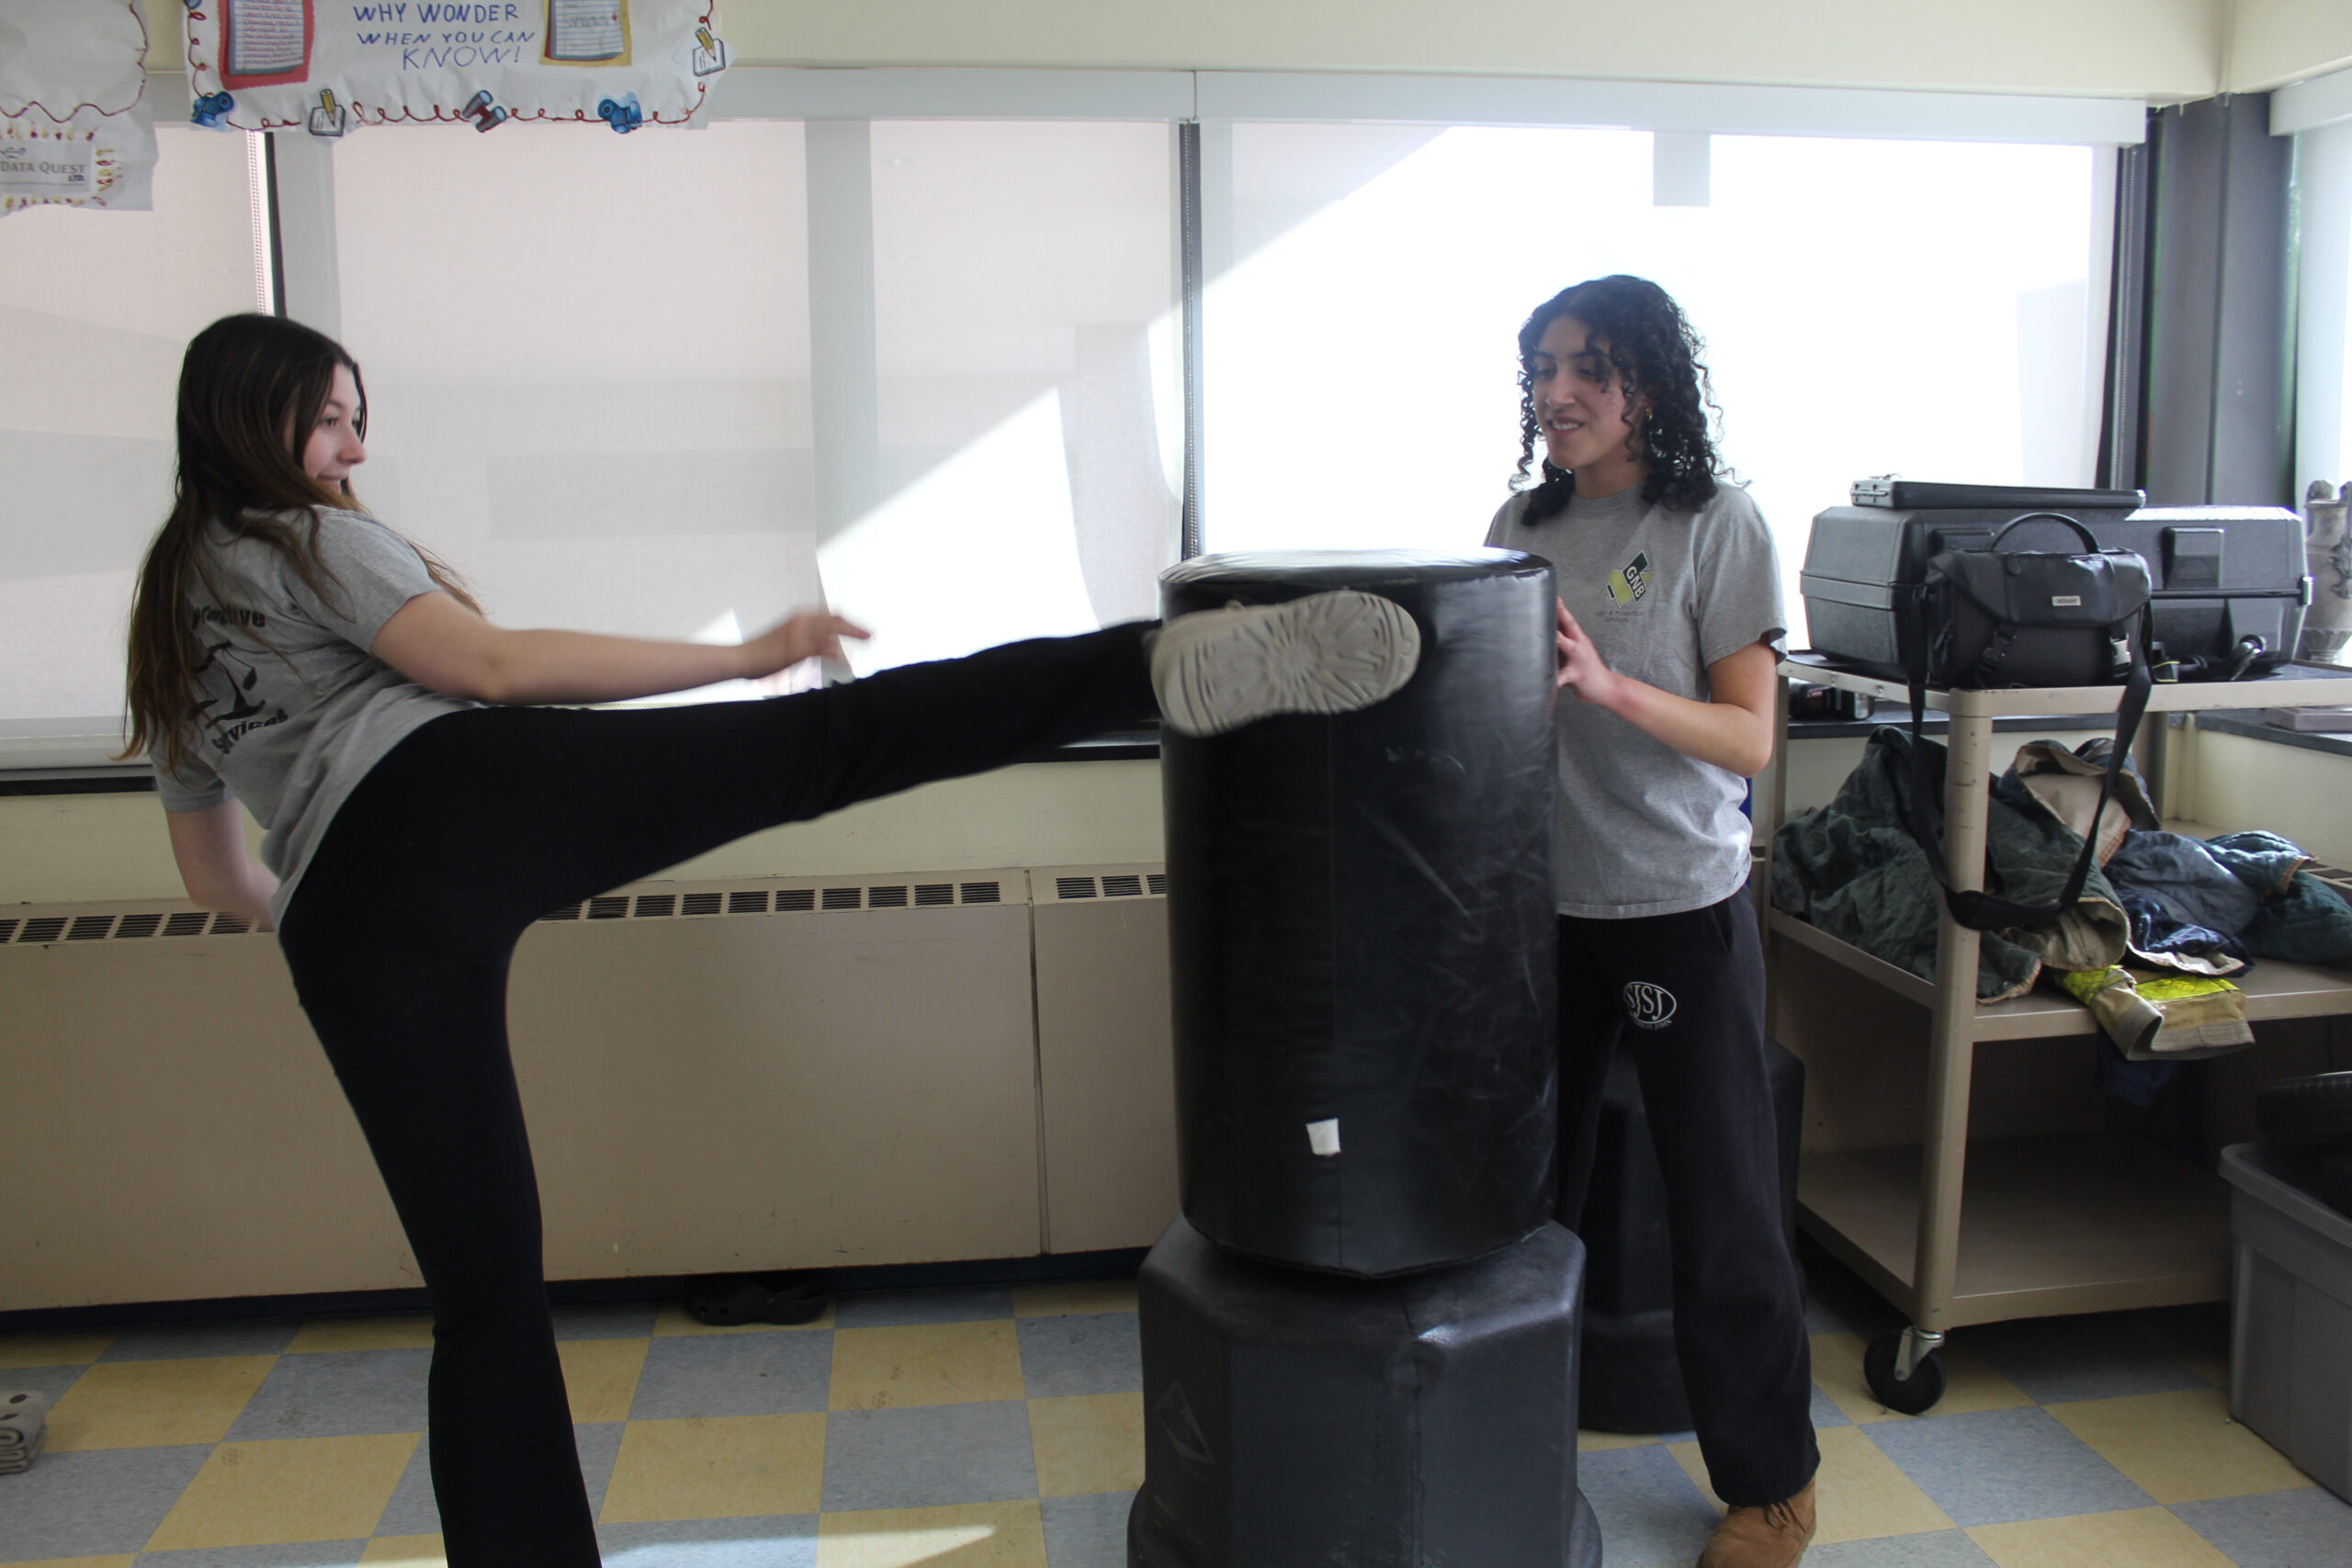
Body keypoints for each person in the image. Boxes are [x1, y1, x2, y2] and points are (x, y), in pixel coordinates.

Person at [124, 311, 1420, 1565]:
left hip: (341, 931)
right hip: (440, 806)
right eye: (333, 422)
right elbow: (491, 669)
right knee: (826, 746)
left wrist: (347, 902)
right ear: (258, 412)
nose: (352, 453)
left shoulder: (167, 613)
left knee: (483, 1299)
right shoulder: (296, 538)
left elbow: (214, 873)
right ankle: (1149, 668)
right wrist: (746, 654)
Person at [1486, 276, 1817, 1568]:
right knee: (1520, 1205)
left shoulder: (1714, 524)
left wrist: (1611, 687)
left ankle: (1773, 1483)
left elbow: (1750, 735)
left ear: (1649, 389)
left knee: (1723, 1204)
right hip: (1543, 913)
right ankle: (1503, 1432)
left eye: (1590, 368)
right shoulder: (1519, 524)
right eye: (1542, 366)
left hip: (1677, 905)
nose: (1556, 392)